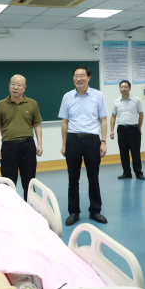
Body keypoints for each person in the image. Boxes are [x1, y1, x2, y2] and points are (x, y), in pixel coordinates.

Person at [59, 65, 109, 226]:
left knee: (93, 178)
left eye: (82, 75)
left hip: (92, 140)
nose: (78, 78)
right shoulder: (67, 97)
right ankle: (74, 212)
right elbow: (64, 121)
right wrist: (64, 144)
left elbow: (103, 119)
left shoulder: (98, 96)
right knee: (73, 178)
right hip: (73, 140)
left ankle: (95, 211)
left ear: (89, 78)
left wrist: (103, 142)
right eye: (76, 75)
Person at [0, 74, 43, 201]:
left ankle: (29, 207)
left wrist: (40, 144)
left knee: (29, 181)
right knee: (8, 182)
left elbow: (37, 125)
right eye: (13, 84)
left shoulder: (32, 104)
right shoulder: (0, 105)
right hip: (8, 146)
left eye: (19, 85)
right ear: (9, 86)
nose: (15, 87)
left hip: (28, 145)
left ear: (24, 88)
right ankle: (10, 208)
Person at [109, 80, 145, 180]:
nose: (123, 89)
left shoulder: (136, 100)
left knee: (135, 152)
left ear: (130, 88)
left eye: (125, 87)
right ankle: (126, 172)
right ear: (119, 89)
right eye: (121, 87)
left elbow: (141, 114)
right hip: (121, 130)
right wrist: (111, 130)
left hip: (133, 129)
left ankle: (138, 173)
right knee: (123, 152)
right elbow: (113, 116)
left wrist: (139, 127)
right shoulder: (116, 102)